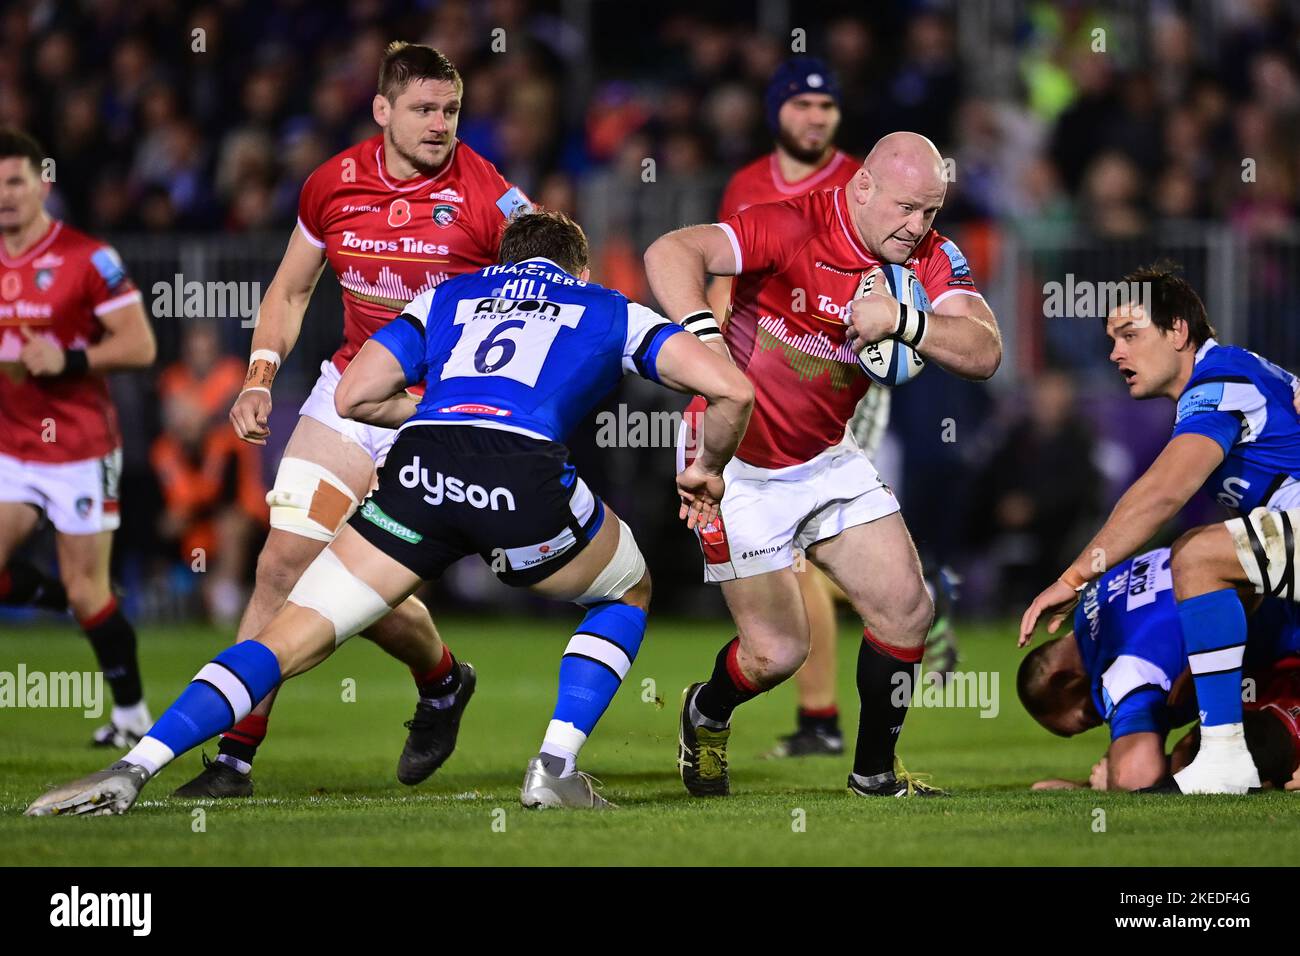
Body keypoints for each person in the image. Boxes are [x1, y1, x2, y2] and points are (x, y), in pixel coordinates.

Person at [26, 210, 754, 816]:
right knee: (626, 587)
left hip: (422, 466)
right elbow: (732, 391)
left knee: (285, 638)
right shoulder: (607, 307)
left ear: (504, 260)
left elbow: (354, 398)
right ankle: (554, 767)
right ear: (581, 270)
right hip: (521, 476)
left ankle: (134, 765)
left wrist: (434, 409)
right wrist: (706, 469)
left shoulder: (449, 295)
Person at [176, 42, 533, 798]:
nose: (440, 125)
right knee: (283, 565)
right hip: (347, 393)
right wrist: (260, 376)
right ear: (382, 110)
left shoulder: (491, 198)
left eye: (451, 110)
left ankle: (440, 680)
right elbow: (291, 289)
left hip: (436, 413)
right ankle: (235, 760)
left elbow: (555, 284)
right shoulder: (331, 183)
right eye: (424, 109)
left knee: (355, 582)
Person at [645, 131, 1001, 798]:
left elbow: (985, 351)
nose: (916, 226)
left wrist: (904, 319)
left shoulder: (929, 257)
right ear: (861, 187)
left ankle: (873, 777)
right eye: (904, 208)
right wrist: (702, 339)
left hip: (826, 455)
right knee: (778, 654)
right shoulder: (793, 224)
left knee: (906, 610)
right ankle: (707, 710)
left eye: (930, 211)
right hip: (732, 459)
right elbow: (672, 250)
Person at [1021, 263, 1300, 793]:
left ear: (1178, 332)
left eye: (1130, 335)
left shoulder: (1219, 383)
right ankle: (1224, 754)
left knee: (1196, 556)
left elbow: (1164, 492)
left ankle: (1223, 758)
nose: (1115, 353)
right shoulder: (1237, 377)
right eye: (1111, 340)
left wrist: (1074, 576)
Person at [0, 128, 157, 747]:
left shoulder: (89, 258)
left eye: (15, 181)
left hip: (80, 449)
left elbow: (140, 346)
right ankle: (51, 598)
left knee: (89, 591)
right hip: (10, 447)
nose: (5, 196)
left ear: (43, 182)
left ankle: (131, 715)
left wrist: (65, 360)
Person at [1019, 547, 1300, 791]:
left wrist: (1105, 782)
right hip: (1286, 586)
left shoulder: (1123, 668)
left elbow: (1135, 777)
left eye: (1089, 715)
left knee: (1196, 754)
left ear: (1065, 680)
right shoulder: (1101, 591)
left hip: (1290, 656)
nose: (1104, 719)